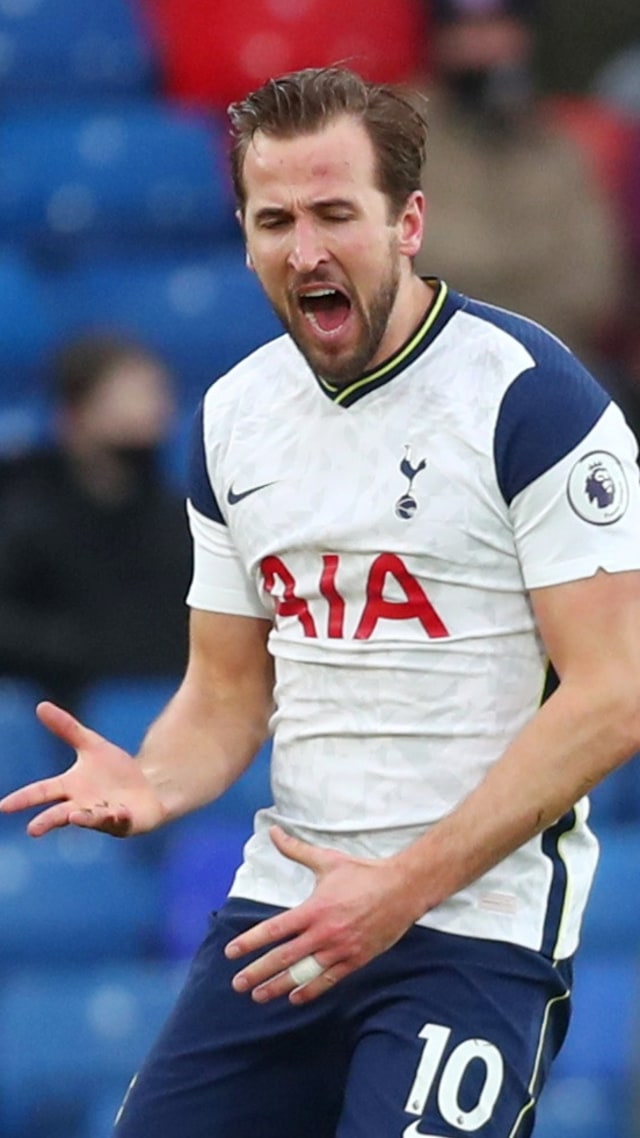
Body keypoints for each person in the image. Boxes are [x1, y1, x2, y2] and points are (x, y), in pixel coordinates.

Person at [2, 64, 640, 1138]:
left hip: (471, 928)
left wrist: (398, 886)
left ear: (408, 222)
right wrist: (154, 778)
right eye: (274, 220)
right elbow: (224, 693)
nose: (305, 251)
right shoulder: (231, 420)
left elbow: (613, 694)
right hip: (285, 912)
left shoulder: (531, 401)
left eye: (335, 213)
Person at [414, 0, 626, 370]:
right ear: (438, 38)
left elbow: (595, 288)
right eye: (464, 28)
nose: (482, 45)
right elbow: (412, 269)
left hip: (547, 359)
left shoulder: (559, 147)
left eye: (499, 26)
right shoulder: (401, 133)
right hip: (428, 358)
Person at [0, 333, 190, 710]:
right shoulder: (24, 513)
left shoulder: (179, 520)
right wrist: (78, 646)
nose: (149, 413)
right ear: (74, 414)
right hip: (57, 706)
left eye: (154, 396)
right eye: (126, 398)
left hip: (164, 707)